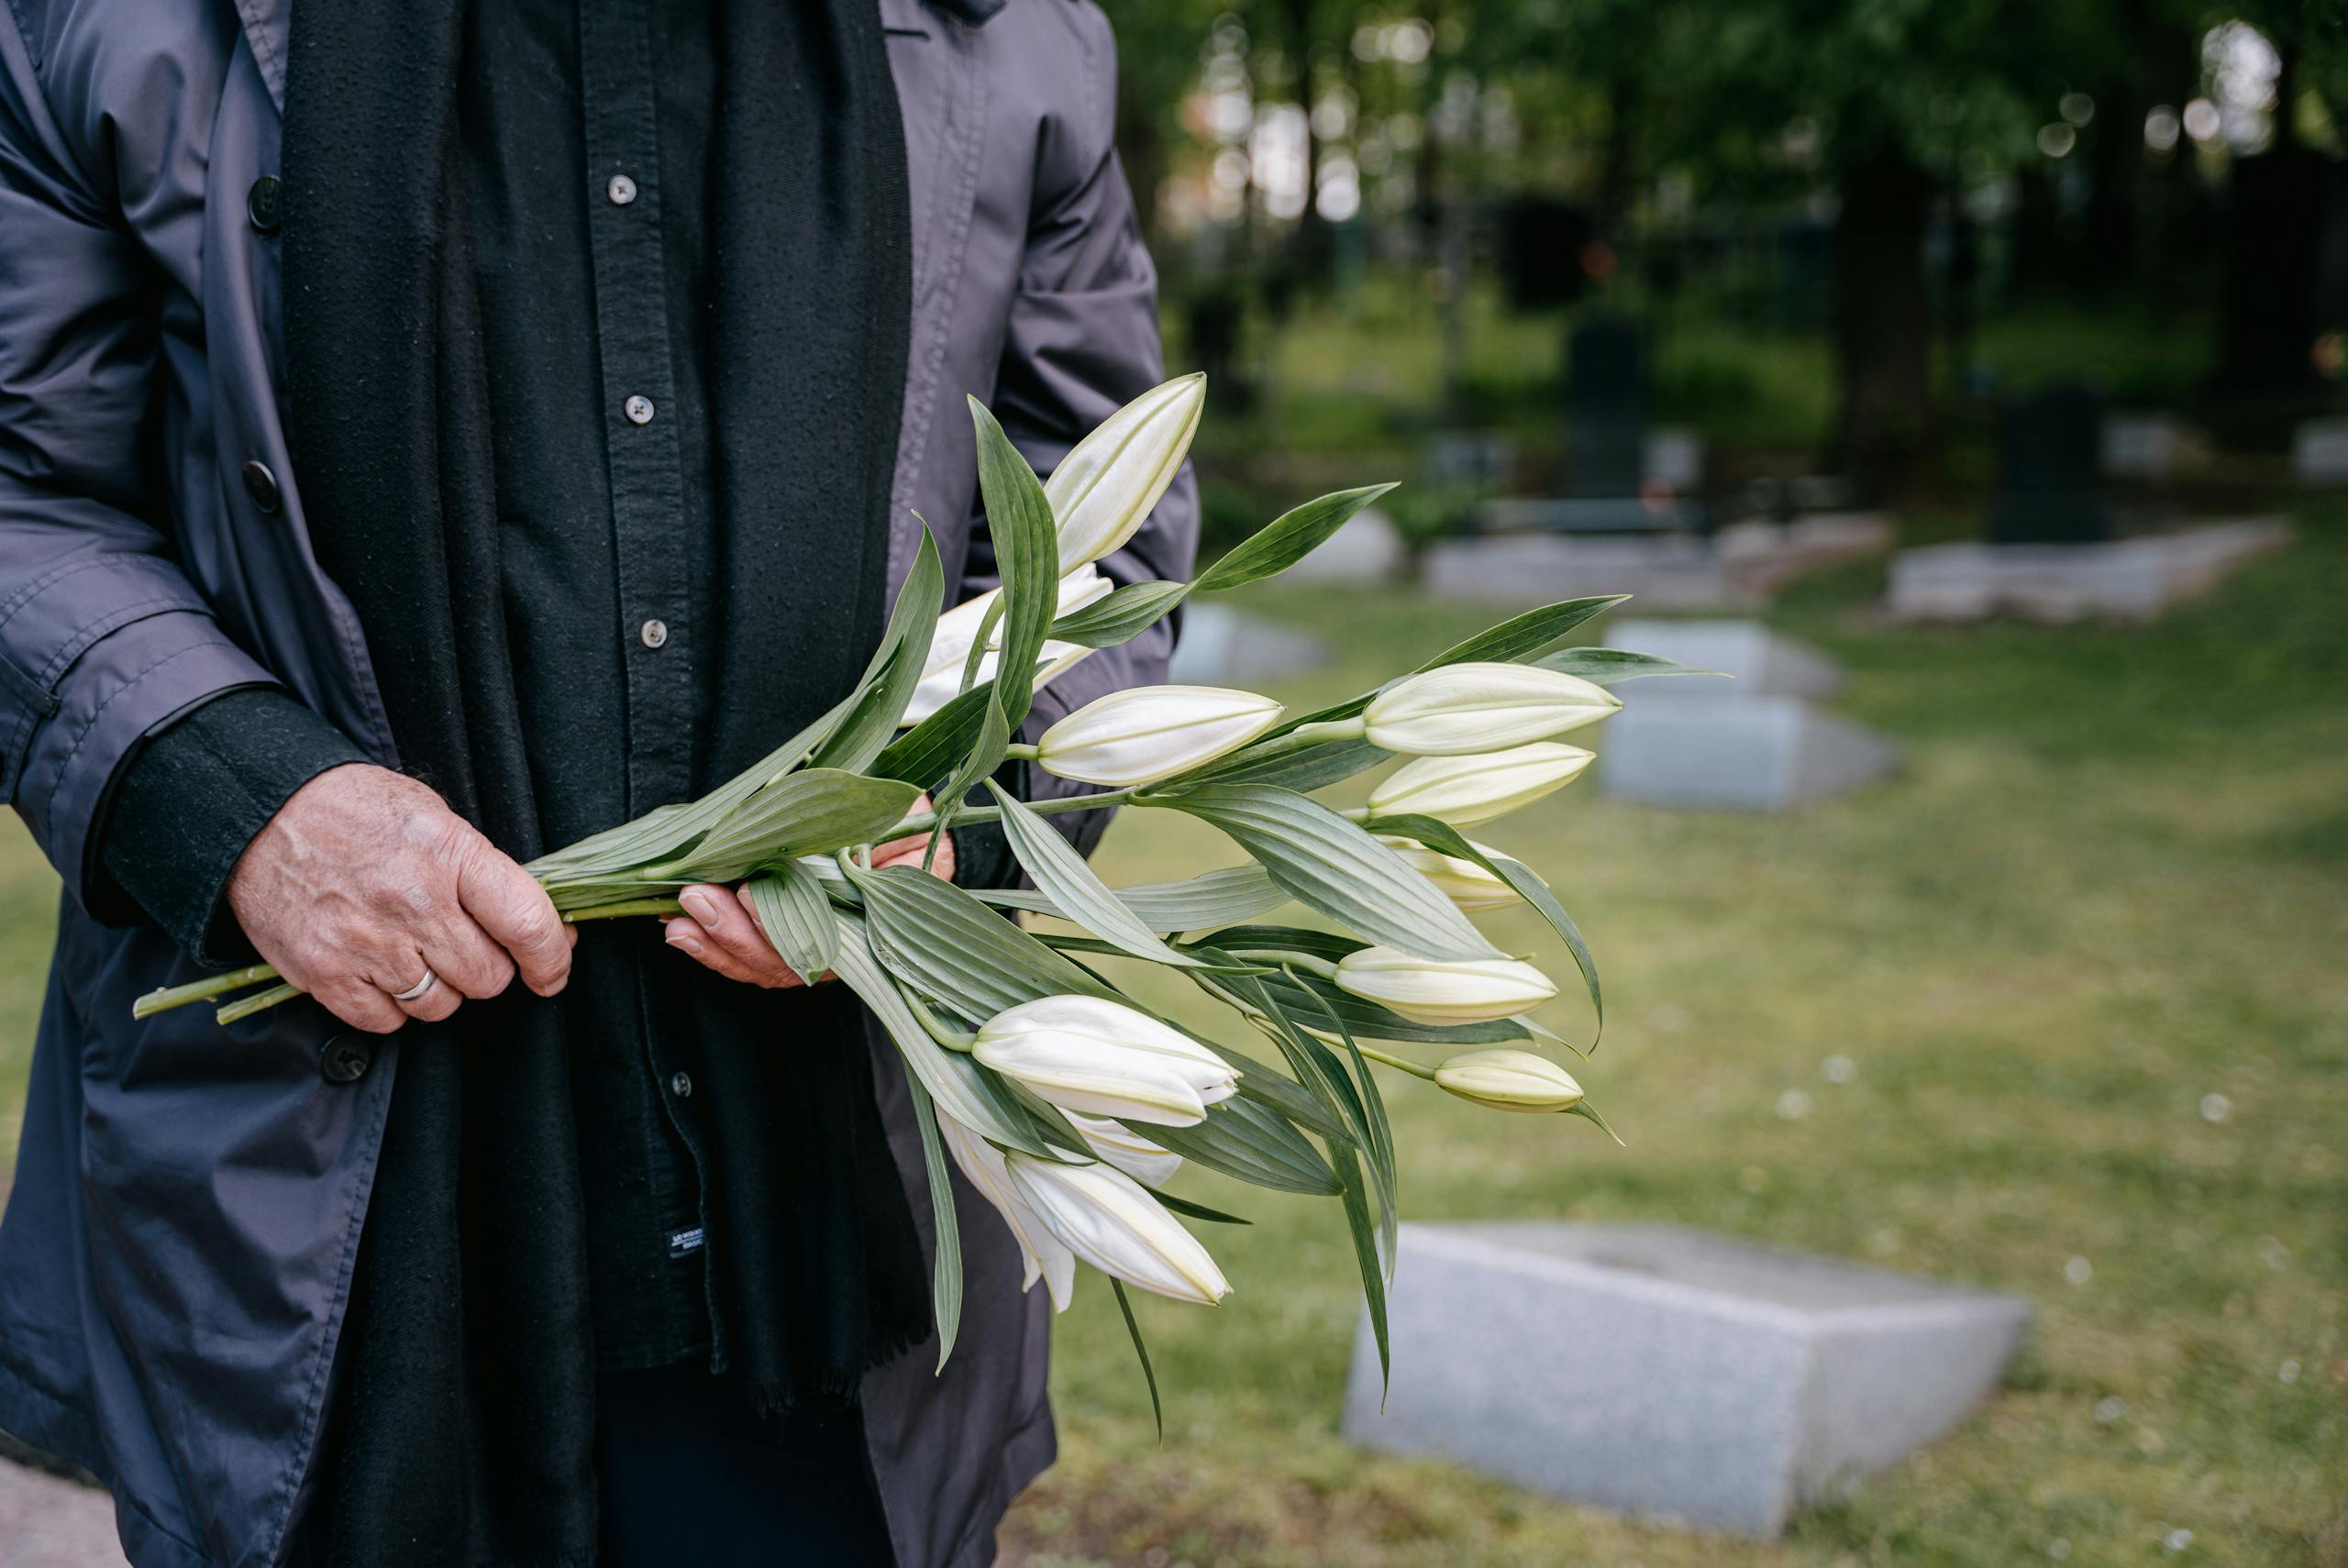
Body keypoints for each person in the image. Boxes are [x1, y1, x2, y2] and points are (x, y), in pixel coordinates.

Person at [0, 0, 1196, 1562]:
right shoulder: (109, 19)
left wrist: (949, 806)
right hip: (331, 1213)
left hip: (814, 1225)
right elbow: (29, 493)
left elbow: (1093, 535)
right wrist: (241, 804)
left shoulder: (1011, 34)